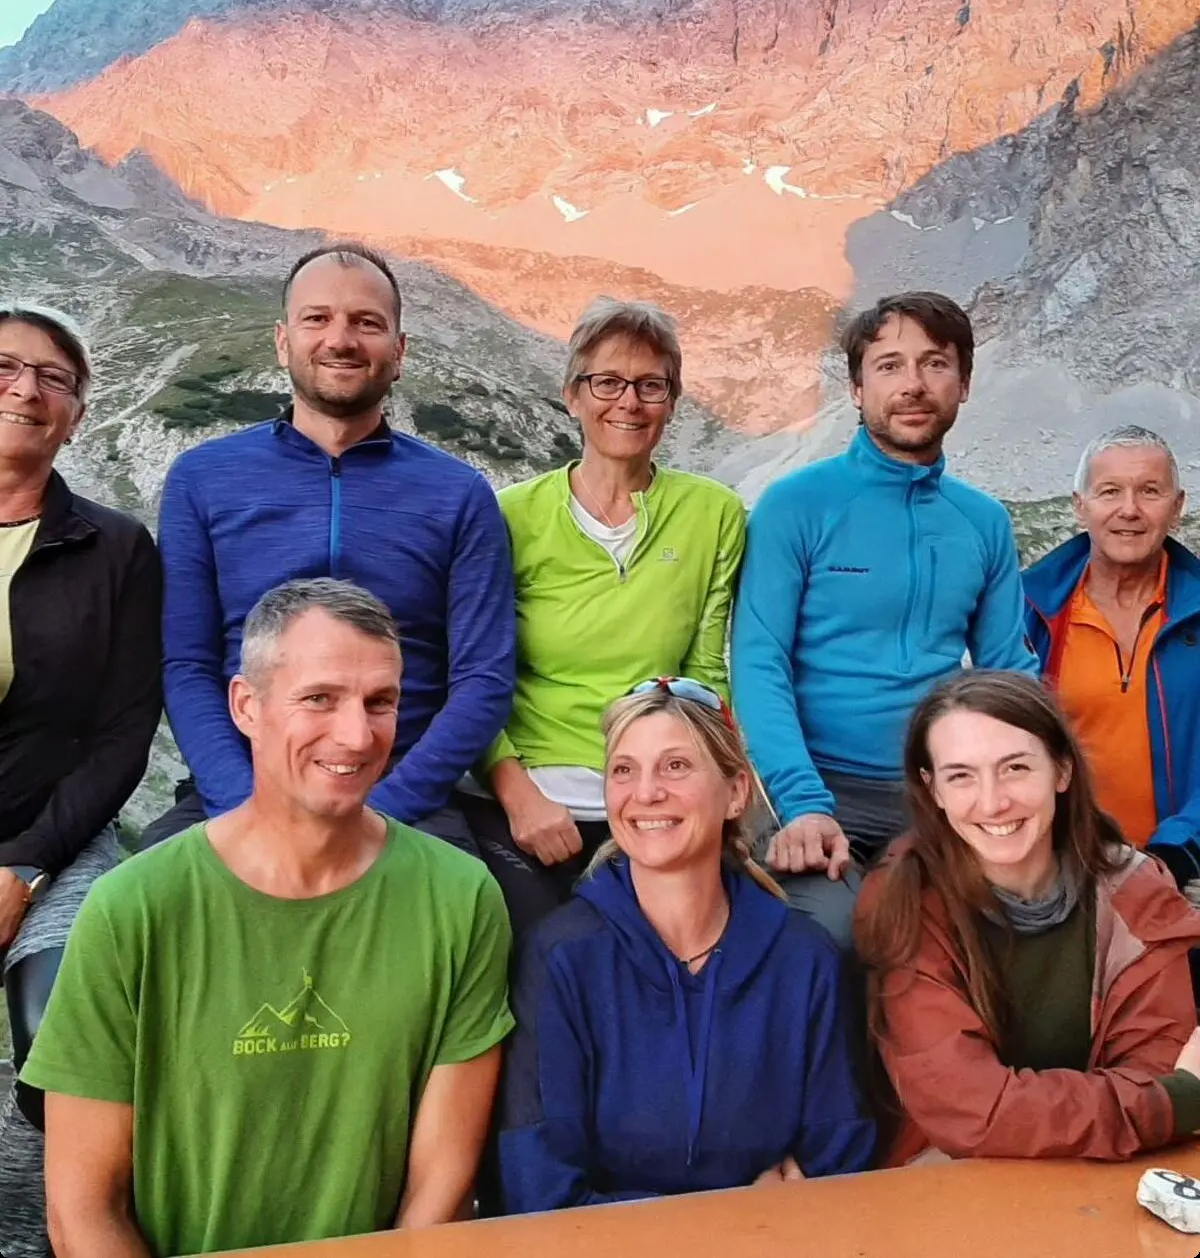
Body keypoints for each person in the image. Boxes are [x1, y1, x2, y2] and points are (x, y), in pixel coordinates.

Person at [22, 579, 513, 1258]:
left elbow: (442, 1188)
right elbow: (82, 1211)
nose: (357, 733)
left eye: (381, 702)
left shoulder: (461, 897)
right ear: (246, 705)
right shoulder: (133, 908)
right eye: (320, 697)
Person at [144, 241, 515, 851]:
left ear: (398, 353)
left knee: (481, 933)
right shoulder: (202, 479)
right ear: (283, 339)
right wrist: (248, 807)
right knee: (121, 926)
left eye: (366, 323)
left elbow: (483, 677)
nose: (340, 339)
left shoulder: (459, 494)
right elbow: (186, 663)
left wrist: (383, 812)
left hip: (405, 800)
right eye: (317, 318)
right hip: (242, 789)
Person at [497, 677, 875, 1213]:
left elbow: (838, 1166)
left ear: (737, 791)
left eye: (676, 766)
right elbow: (539, 1189)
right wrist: (732, 1218)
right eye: (624, 770)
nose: (646, 792)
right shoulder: (561, 958)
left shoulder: (804, 959)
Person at [731, 291, 1037, 950]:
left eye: (934, 364)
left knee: (987, 932)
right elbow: (758, 662)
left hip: (934, 791)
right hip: (809, 781)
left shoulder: (982, 521)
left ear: (964, 383)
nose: (914, 385)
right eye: (890, 365)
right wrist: (801, 802)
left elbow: (1009, 669)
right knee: (831, 937)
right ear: (857, 385)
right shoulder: (794, 505)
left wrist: (1043, 783)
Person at [459, 300, 745, 937]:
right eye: (607, 382)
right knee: (546, 957)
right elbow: (475, 672)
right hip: (531, 799)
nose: (629, 402)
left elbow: (703, 673)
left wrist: (710, 793)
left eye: (651, 385)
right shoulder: (509, 516)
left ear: (672, 401)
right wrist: (519, 796)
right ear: (572, 395)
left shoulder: (715, 514)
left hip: (654, 797)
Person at [854, 669, 1200, 1165]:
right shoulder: (903, 900)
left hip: (1116, 1168)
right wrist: (1170, 1104)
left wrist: (1160, 1102)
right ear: (933, 790)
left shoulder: (1137, 893)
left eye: (1015, 768)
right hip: (953, 1173)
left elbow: (1154, 1067)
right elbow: (972, 1109)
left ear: (1062, 771)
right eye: (961, 776)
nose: (993, 802)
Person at [0, 305, 160, 1258]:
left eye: (53, 379)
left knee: (66, 1049)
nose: (27, 389)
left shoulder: (114, 549)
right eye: (8, 367)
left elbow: (122, 733)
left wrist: (22, 868)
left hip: (57, 840)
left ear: (77, 416)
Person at [1024, 425, 1200, 881]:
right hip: (1057, 865)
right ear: (1080, 507)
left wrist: (1175, 854)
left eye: (1150, 491)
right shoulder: (1030, 611)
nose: (1130, 510)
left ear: (1177, 507)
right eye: (1109, 491)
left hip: (1182, 866)